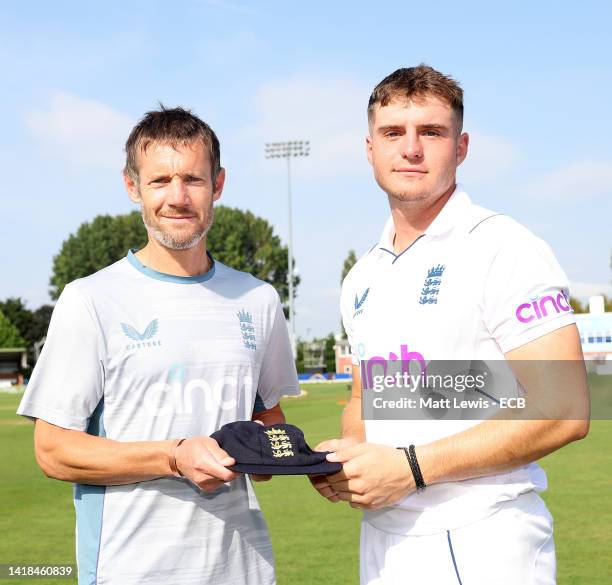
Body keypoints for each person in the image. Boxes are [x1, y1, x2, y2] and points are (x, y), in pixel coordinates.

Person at [311, 65, 589, 584]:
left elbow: (564, 408)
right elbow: (364, 397)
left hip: (482, 537)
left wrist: (410, 468)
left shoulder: (504, 247)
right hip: (384, 540)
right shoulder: (362, 275)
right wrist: (349, 458)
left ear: (461, 148)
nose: (411, 149)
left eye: (431, 132)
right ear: (369, 148)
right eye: (393, 133)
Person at [18, 106, 299, 585]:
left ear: (219, 183)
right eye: (159, 181)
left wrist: (307, 459)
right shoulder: (90, 300)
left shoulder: (259, 299)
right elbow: (53, 451)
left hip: (245, 570)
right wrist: (175, 457)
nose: (178, 197)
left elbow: (268, 423)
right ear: (132, 187)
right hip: (131, 572)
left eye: (193, 179)